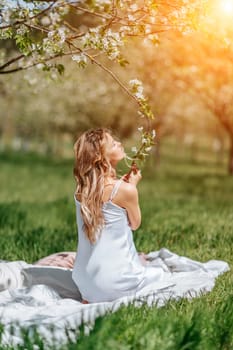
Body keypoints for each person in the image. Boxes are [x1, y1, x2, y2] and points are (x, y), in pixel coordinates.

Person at [71, 128, 229, 304]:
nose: (120, 143)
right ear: (100, 156)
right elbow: (134, 224)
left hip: (83, 281)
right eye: (114, 143)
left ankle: (93, 294)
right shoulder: (126, 190)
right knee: (162, 275)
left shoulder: (82, 190)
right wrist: (132, 187)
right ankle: (113, 287)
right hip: (115, 282)